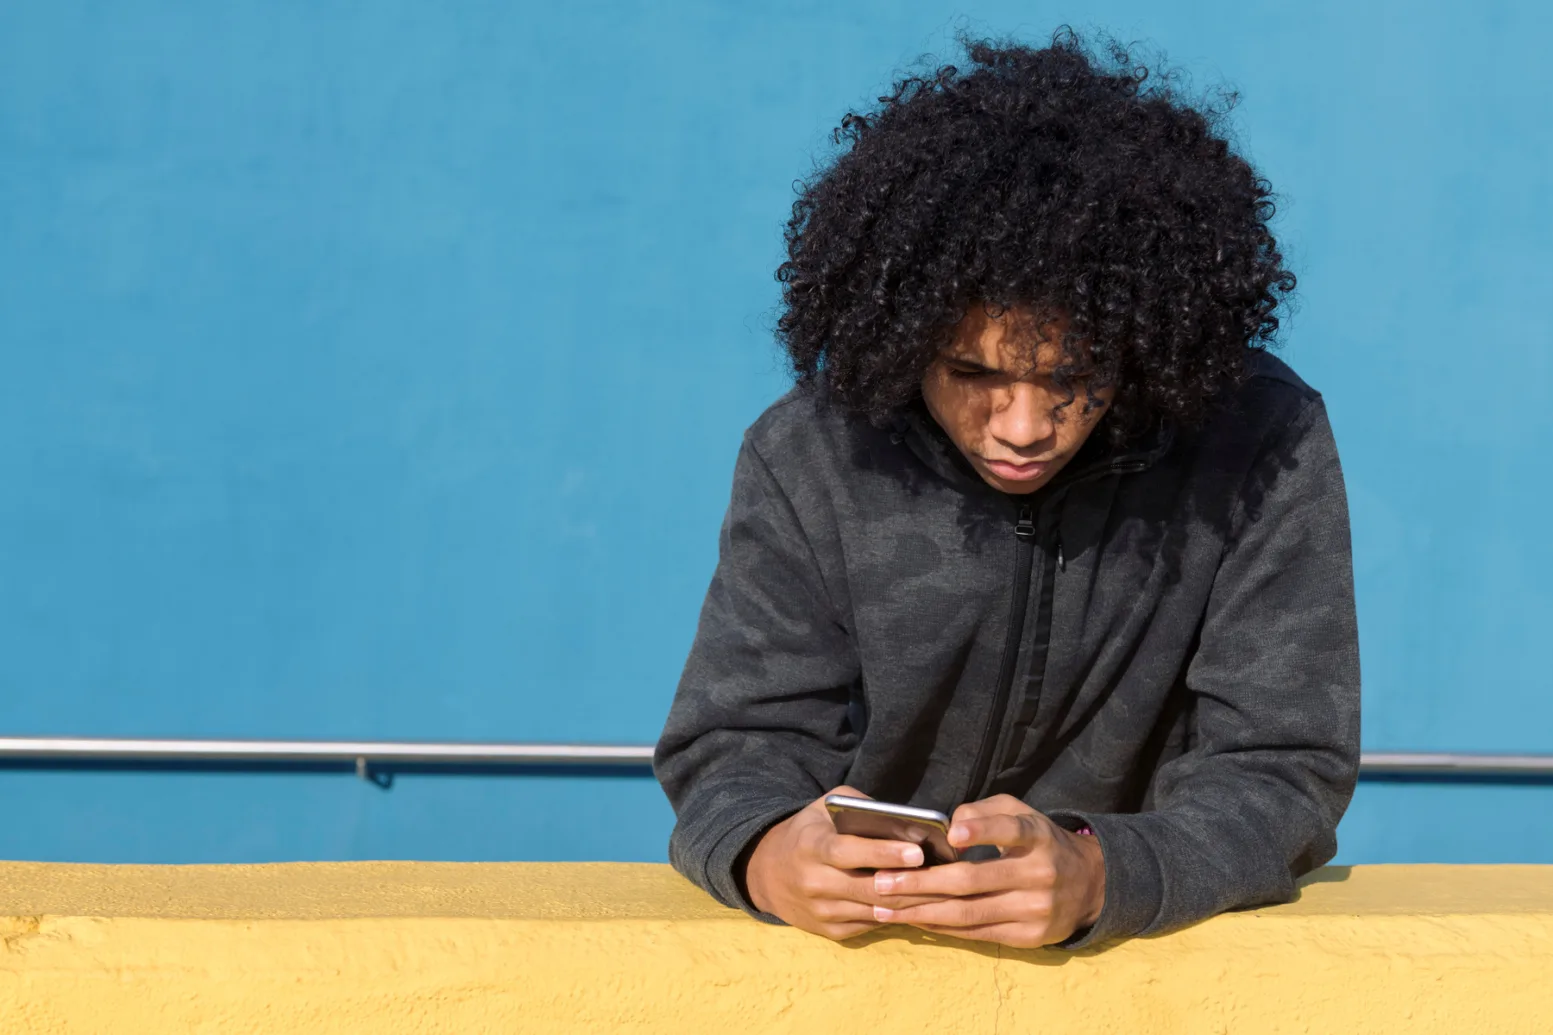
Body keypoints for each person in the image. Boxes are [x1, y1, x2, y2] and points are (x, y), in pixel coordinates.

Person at [653, 31, 1359, 950]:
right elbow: (734, 743)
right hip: (856, 976)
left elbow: (1282, 766)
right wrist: (762, 852)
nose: (1023, 424)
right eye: (970, 371)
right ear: (903, 340)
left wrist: (1107, 871)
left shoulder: (1260, 439)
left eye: (1073, 372)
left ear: (1147, 340)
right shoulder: (811, 452)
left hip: (1148, 985)